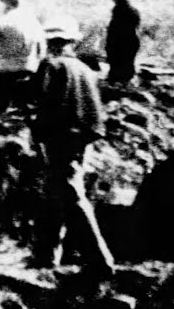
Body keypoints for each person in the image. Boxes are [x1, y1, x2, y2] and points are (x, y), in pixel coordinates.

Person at [28, 16, 117, 277]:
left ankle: (100, 259)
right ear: (71, 42)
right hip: (82, 136)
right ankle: (45, 255)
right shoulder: (84, 69)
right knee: (55, 191)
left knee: (69, 194)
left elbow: (39, 101)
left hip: (60, 137)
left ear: (50, 43)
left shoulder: (51, 65)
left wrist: (37, 132)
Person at [0, 0, 44, 114]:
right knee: (24, 107)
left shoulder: (4, 20)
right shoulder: (32, 22)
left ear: (7, 5)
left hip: (4, 68)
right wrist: (37, 61)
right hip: (27, 67)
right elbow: (41, 45)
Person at [102, 0, 141, 85]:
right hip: (122, 49)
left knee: (120, 78)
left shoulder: (124, 8)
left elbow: (125, 34)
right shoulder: (120, 8)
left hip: (122, 49)